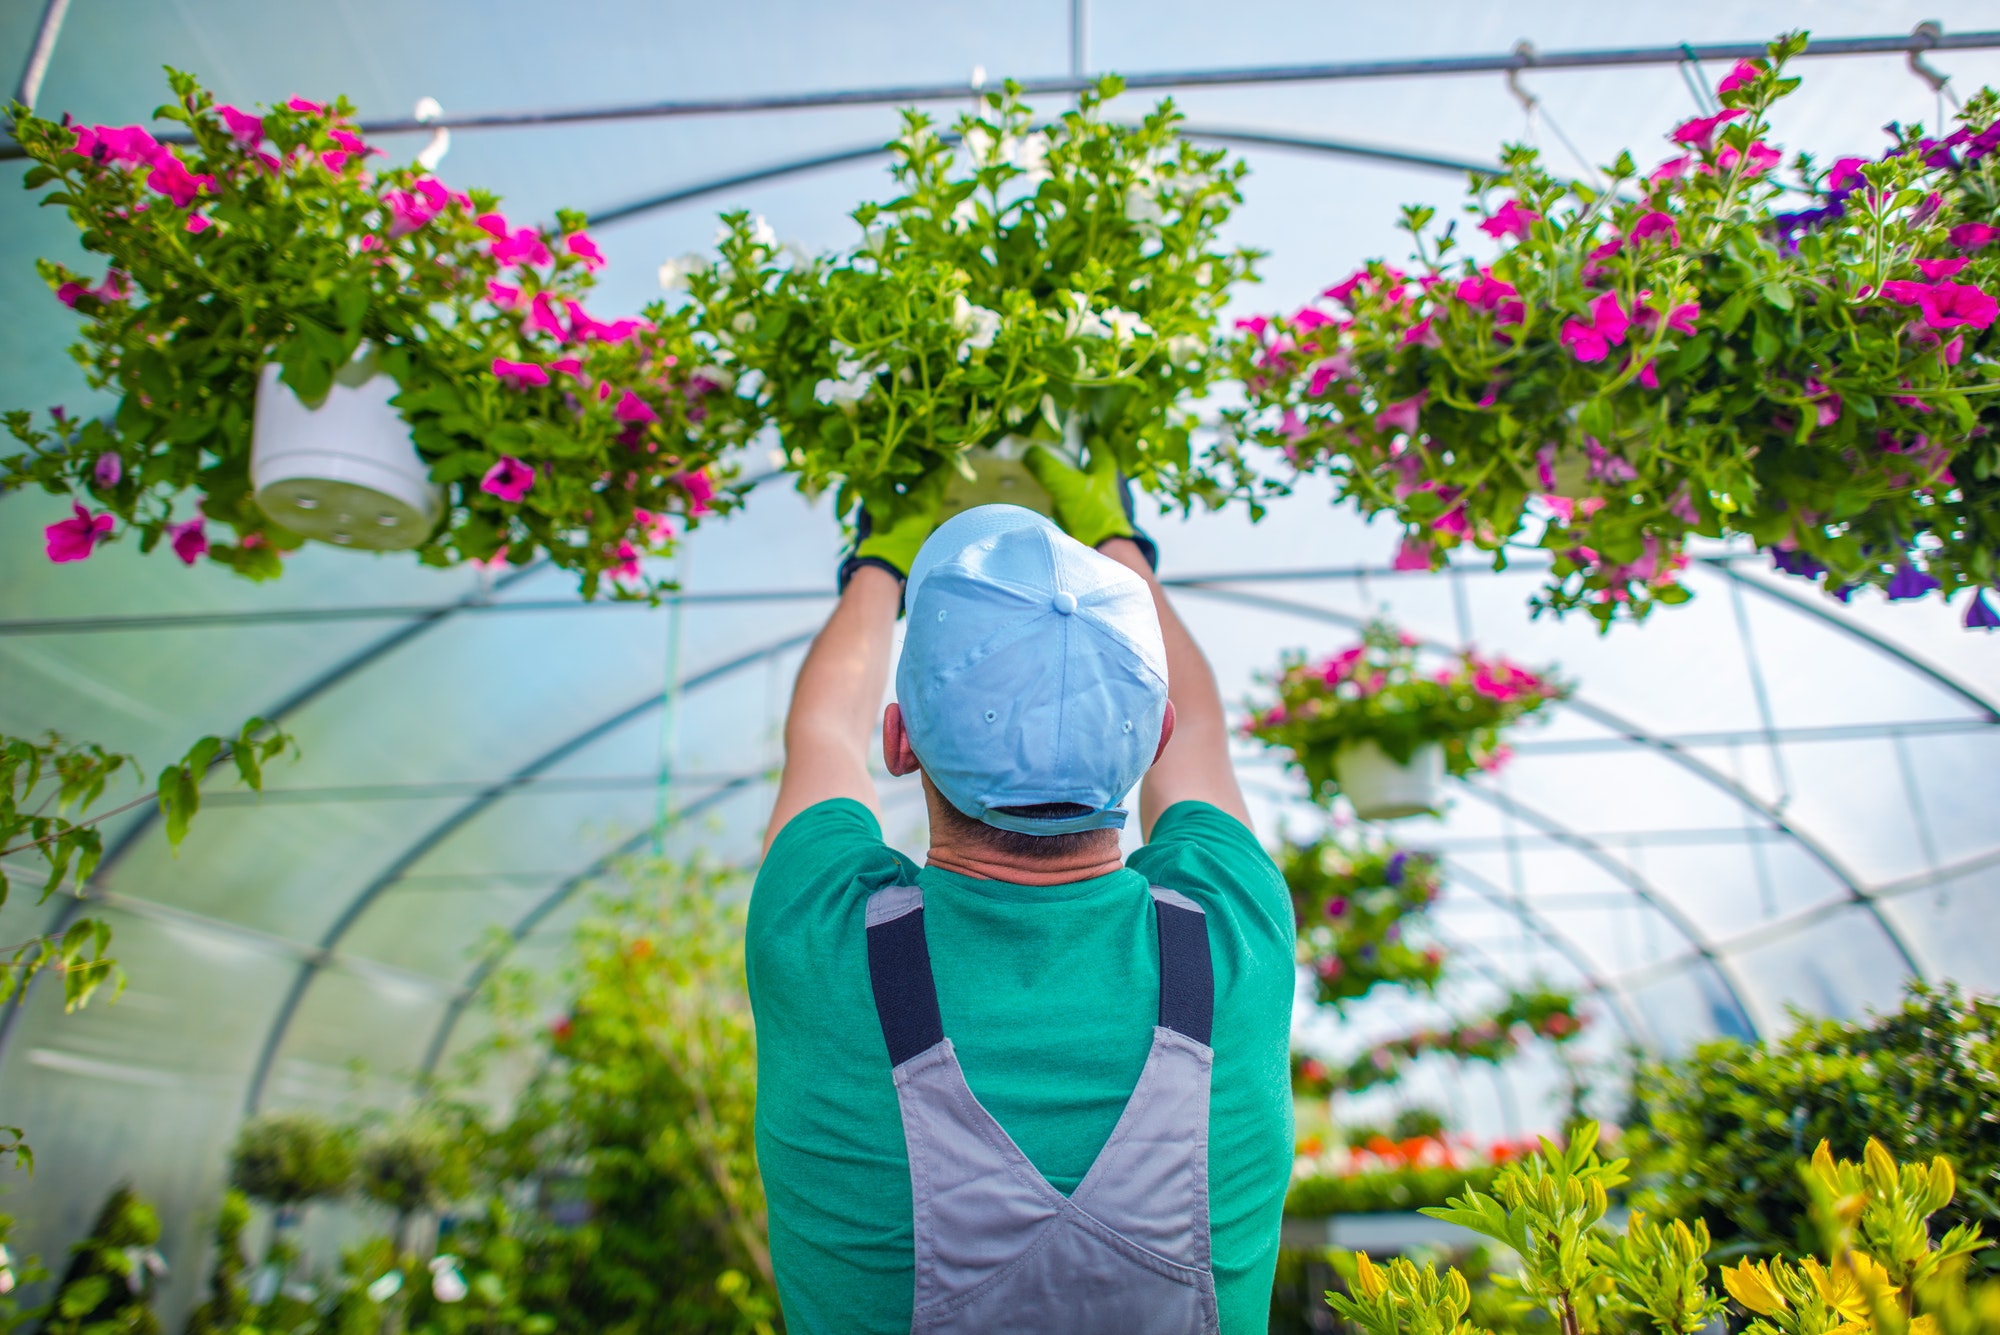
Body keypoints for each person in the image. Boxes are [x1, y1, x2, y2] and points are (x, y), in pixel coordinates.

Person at [747, 447, 1295, 1334]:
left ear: (901, 742)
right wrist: (1122, 547)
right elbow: (1199, 733)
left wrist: (876, 565)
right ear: (1149, 736)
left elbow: (821, 731)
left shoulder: (816, 934)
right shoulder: (1232, 931)